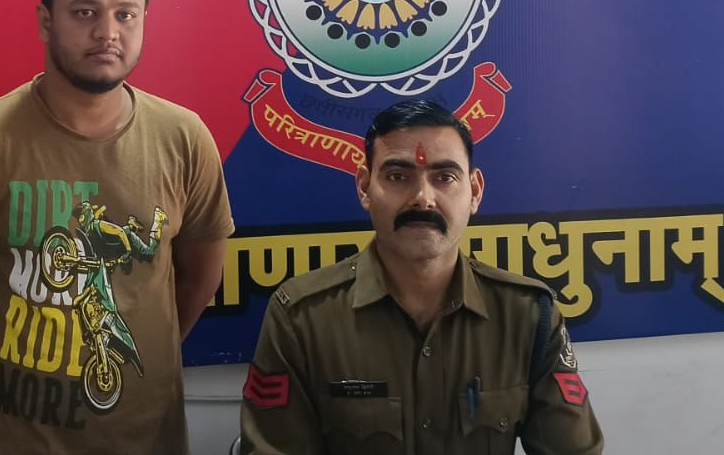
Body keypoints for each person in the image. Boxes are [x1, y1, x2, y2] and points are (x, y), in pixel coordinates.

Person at [0, 0, 234, 454]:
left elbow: (200, 278)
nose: (108, 32)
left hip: (146, 440)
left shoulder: (185, 139)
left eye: (125, 14)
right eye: (85, 12)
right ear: (46, 21)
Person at [239, 99, 604, 455]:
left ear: (474, 192)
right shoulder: (302, 317)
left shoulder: (528, 315)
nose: (423, 198)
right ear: (364, 187)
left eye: (444, 177)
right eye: (398, 177)